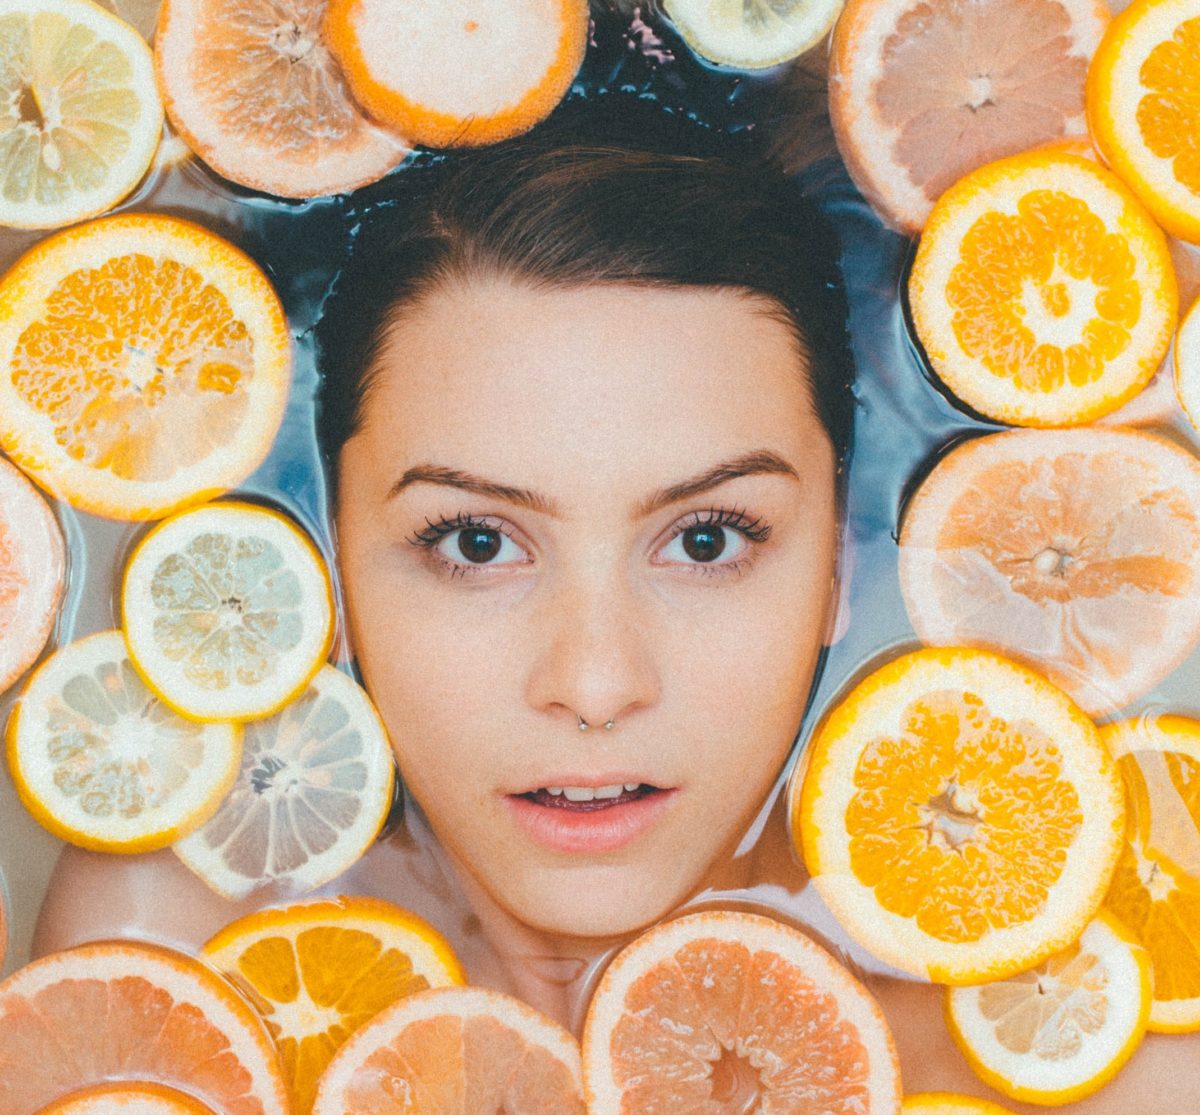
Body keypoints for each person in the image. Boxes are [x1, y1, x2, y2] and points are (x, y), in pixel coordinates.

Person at [32, 102, 1199, 1110]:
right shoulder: (173, 973)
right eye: (475, 541)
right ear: (329, 566)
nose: (595, 681)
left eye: (706, 538)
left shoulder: (1076, 1045)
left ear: (842, 559)